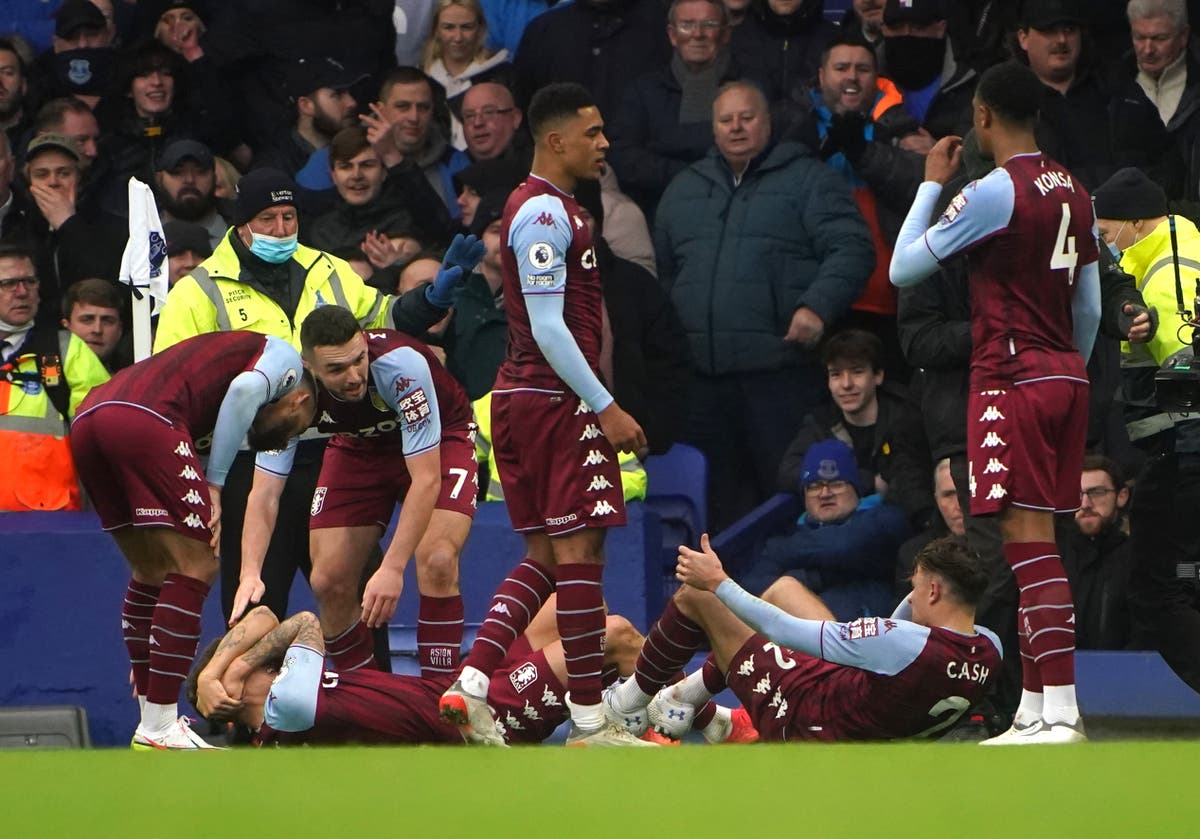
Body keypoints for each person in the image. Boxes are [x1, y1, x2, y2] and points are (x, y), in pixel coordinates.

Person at [154, 167, 480, 629]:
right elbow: (175, 395)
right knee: (254, 606)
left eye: (289, 217)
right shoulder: (197, 292)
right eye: (268, 219)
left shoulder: (328, 269)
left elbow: (386, 321)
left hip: (337, 445)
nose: (282, 230)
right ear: (241, 223)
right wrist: (205, 483)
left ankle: (369, 694)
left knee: (350, 592)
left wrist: (432, 297)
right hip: (255, 457)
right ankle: (251, 700)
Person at [889, 61, 1102, 744]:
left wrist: (928, 186)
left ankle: (1062, 709)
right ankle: (1035, 709)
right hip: (1066, 372)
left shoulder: (991, 191)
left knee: (1029, 545)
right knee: (1035, 543)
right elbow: (1089, 305)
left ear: (982, 117)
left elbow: (903, 269)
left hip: (1011, 378)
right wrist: (1068, 367)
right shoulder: (1075, 188)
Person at [438, 82, 651, 748]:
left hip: (527, 400)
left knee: (547, 557)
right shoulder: (543, 216)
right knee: (581, 555)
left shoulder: (550, 209)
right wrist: (605, 404)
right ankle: (590, 721)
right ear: (555, 141)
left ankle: (471, 683)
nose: (604, 143)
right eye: (592, 133)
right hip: (554, 401)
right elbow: (551, 328)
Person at [69, 331, 318, 749]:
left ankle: (151, 719)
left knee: (149, 571)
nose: (284, 441)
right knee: (198, 564)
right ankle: (162, 726)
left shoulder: (218, 385)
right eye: (295, 430)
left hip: (90, 418)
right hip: (146, 418)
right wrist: (216, 484)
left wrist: (153, 649)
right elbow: (244, 389)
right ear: (299, 401)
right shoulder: (286, 361)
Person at [655, 80, 874, 530]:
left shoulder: (809, 180)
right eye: (725, 119)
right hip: (702, 383)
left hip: (780, 376)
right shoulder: (683, 190)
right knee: (714, 509)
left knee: (784, 498)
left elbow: (853, 249)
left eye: (747, 117)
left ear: (768, 123)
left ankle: (789, 591)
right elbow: (665, 274)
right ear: (713, 129)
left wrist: (817, 307)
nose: (736, 128)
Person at [241, 305, 481, 685]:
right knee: (328, 581)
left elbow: (426, 481)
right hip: (359, 446)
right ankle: (369, 700)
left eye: (359, 360)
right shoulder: (289, 393)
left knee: (436, 560)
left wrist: (392, 568)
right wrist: (249, 572)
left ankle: (441, 703)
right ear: (308, 367)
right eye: (336, 370)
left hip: (439, 438)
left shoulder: (401, 367)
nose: (353, 376)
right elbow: (264, 495)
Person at [604, 534, 1001, 742]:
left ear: (933, 591)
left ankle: (628, 704)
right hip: (865, 713)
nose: (910, 598)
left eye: (914, 589)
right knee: (785, 589)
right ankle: (689, 698)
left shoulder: (898, 643)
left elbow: (779, 629)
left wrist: (718, 581)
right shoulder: (989, 647)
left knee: (697, 597)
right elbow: (902, 640)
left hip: (807, 722)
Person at [185, 597, 650, 747]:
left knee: (576, 603)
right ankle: (680, 715)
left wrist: (216, 671)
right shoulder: (284, 711)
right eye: (234, 672)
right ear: (228, 701)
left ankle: (624, 716)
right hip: (476, 722)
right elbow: (304, 621)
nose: (261, 662)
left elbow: (263, 616)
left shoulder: (285, 688)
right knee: (614, 635)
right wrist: (222, 672)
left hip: (454, 691)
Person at [1093, 166, 1200, 691]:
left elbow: (1188, 367)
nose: (1103, 243)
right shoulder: (1189, 249)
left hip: (1185, 452)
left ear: (1135, 224)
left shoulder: (1164, 278)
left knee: (1153, 590)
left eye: (1106, 232)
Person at [741, 438, 910, 618]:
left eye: (836, 484)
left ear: (856, 488)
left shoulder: (885, 519)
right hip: (804, 640)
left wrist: (801, 575)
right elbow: (754, 587)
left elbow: (843, 546)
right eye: (814, 486)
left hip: (874, 636)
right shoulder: (789, 533)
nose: (824, 494)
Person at [0, 243, 110, 512]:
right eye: (9, 283)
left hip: (49, 525)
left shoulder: (65, 349)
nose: (22, 292)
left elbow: (106, 429)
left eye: (29, 281)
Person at [1059, 455, 1134, 650]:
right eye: (1077, 493)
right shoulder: (1057, 559)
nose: (1085, 504)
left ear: (1122, 496)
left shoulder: (1137, 559)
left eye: (1097, 492)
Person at [423, 0, 514, 152]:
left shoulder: (502, 75)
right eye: (449, 27)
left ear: (480, 28)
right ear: (436, 30)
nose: (458, 37)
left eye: (466, 27)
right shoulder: (423, 79)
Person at [60, 277, 128, 372]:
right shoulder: (44, 371)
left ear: (119, 330)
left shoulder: (135, 377)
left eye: (107, 321)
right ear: (66, 325)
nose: (97, 330)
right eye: (87, 319)